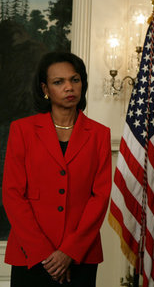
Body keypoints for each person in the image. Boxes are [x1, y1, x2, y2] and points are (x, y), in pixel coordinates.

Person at [2, 51, 112, 286]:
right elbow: (12, 195)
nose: (69, 87)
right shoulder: (22, 130)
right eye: (58, 82)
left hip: (80, 255)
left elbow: (100, 197)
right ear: (45, 89)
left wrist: (69, 252)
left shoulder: (100, 134)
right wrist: (44, 254)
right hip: (30, 255)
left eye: (75, 79)